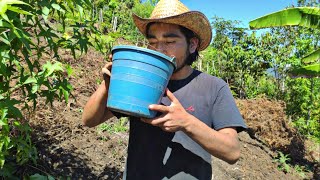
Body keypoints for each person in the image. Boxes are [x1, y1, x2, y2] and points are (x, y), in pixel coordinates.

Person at [82, 0, 247, 179]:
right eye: (153, 41)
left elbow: (232, 152)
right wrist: (108, 85)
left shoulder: (214, 87)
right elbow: (90, 120)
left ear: (192, 44)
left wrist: (186, 122)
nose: (159, 49)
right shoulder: (142, 80)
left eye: (169, 41)